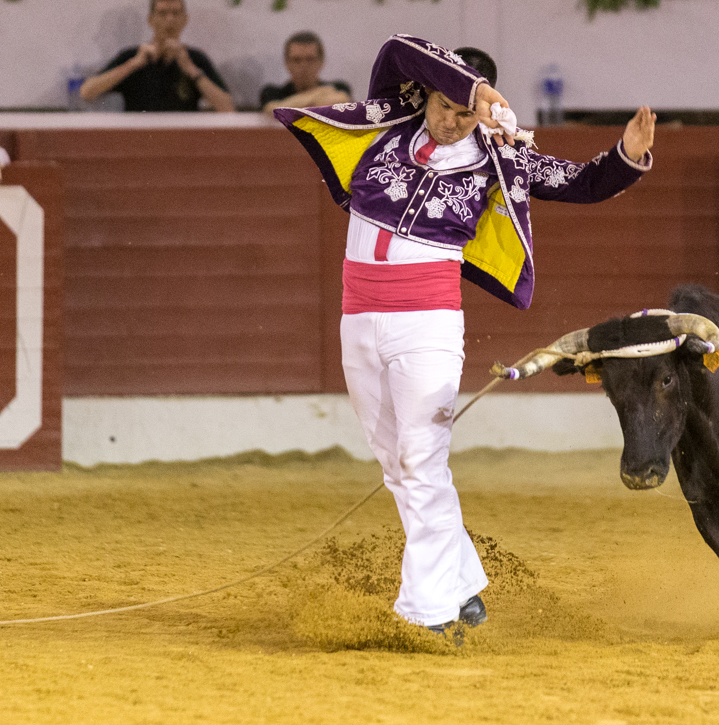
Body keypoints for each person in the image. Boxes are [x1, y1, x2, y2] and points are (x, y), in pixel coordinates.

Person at [273, 34, 656, 636]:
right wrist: (471, 89)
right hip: (359, 321)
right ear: (428, 93)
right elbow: (397, 48)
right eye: (445, 105)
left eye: (465, 113)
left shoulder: (503, 158)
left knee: (420, 460)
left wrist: (626, 156)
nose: (452, 121)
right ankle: (462, 584)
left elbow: (580, 182)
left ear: (486, 113)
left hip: (427, 327)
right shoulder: (389, 119)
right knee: (396, 464)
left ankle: (426, 613)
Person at [79, 0, 234, 112]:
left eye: (175, 13)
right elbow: (87, 92)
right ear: (150, 20)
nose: (170, 19)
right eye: (162, 13)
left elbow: (227, 108)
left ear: (185, 19)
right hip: (139, 138)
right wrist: (133, 65)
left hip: (182, 138)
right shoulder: (132, 56)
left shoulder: (195, 58)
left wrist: (191, 70)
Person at [260, 31, 352, 114]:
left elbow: (341, 100)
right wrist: (323, 92)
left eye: (310, 59)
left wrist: (291, 104)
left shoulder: (339, 87)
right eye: (297, 60)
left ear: (321, 62)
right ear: (287, 63)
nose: (304, 66)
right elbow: (275, 110)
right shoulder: (272, 92)